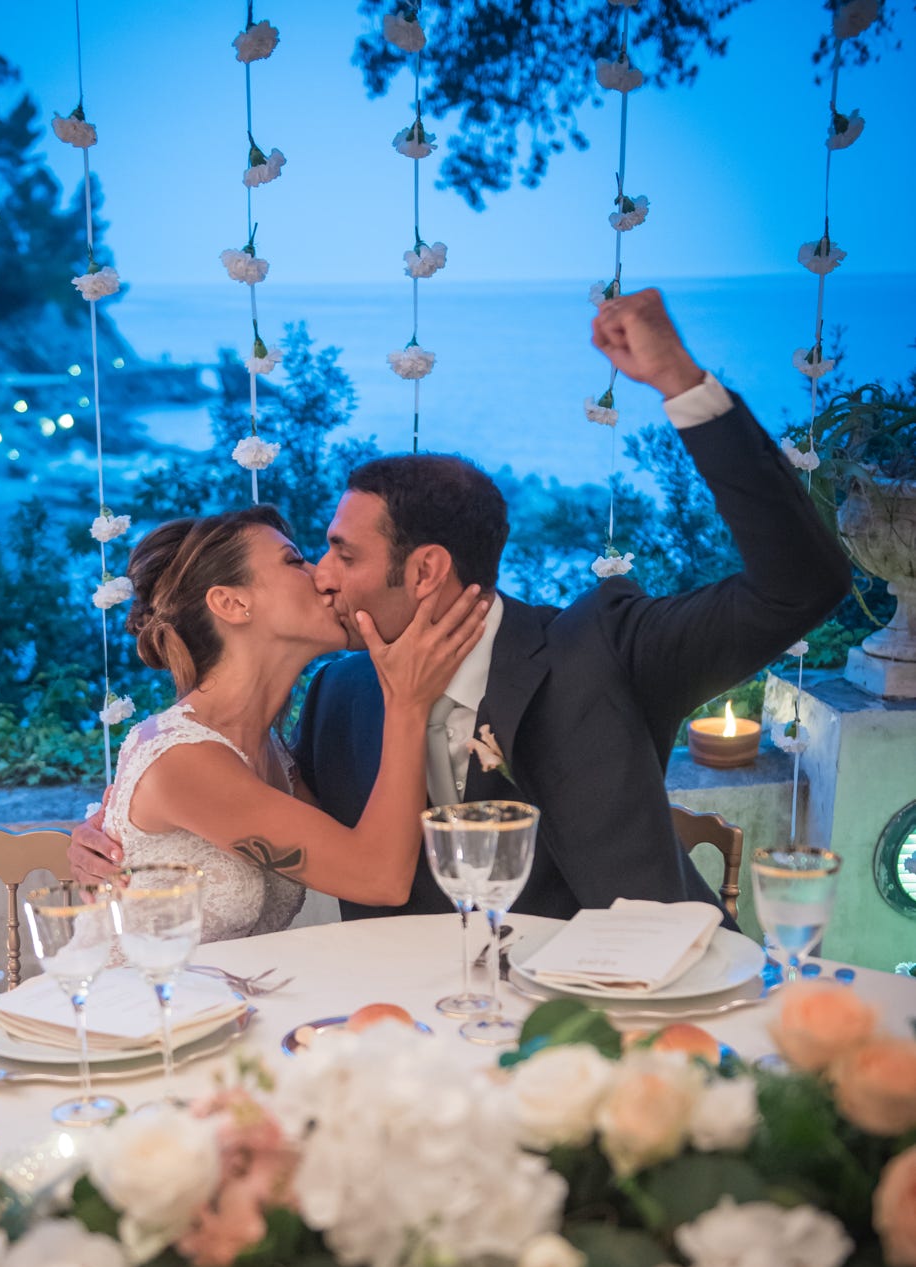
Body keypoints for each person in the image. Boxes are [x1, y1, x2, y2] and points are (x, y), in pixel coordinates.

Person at [71, 289, 851, 923]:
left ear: (427, 571)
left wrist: (684, 384)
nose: (324, 579)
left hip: (640, 1011)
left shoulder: (603, 647)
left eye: (342, 554)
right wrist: (106, 844)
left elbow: (802, 586)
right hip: (421, 1042)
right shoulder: (338, 699)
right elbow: (229, 813)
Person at [75, 504, 489, 939]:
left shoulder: (273, 751)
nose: (325, 578)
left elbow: (360, 842)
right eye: (295, 561)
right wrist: (408, 702)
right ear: (232, 603)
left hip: (223, 998)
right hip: (136, 1000)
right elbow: (378, 878)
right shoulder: (184, 759)